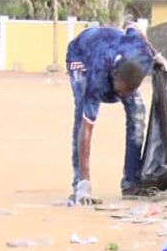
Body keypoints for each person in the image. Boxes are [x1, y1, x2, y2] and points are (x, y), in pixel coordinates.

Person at [66, 25, 157, 205]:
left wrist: (158, 55)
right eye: (122, 91)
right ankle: (80, 184)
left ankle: (131, 182)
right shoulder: (97, 78)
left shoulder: (145, 57)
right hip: (82, 54)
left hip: (115, 45)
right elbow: (87, 129)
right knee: (81, 115)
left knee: (137, 114)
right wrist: (85, 184)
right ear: (114, 76)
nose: (123, 96)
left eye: (129, 91)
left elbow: (132, 28)